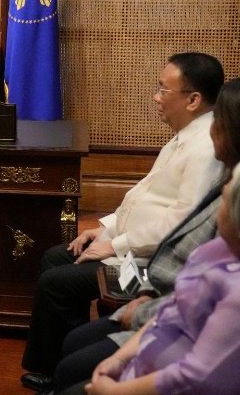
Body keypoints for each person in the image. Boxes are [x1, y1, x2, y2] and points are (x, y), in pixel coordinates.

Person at [21, 52, 225, 391]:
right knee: (55, 256)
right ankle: (55, 363)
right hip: (127, 246)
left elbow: (177, 226)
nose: (156, 97)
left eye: (163, 90)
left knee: (57, 281)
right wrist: (103, 230)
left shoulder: (204, 148)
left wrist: (113, 246)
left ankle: (59, 369)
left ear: (193, 99)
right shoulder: (184, 135)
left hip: (145, 263)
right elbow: (142, 198)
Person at [68, 162, 240, 394]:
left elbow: (196, 378)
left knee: (73, 370)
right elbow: (173, 306)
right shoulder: (213, 250)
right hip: (149, 344)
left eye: (227, 198)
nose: (222, 195)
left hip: (166, 377)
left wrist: (115, 392)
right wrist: (120, 358)